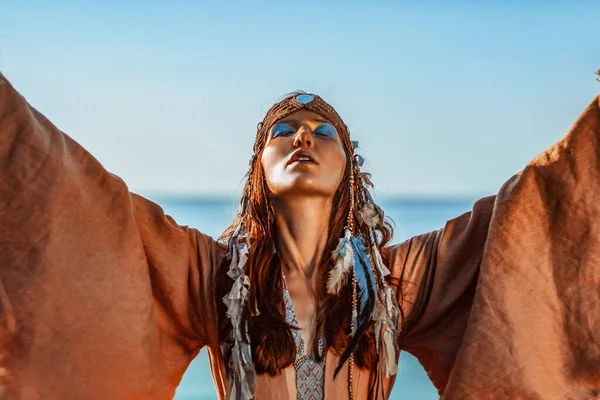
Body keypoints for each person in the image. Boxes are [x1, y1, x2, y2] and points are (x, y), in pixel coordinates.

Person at [0, 72, 599, 400]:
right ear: (259, 166)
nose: (304, 137)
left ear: (349, 171)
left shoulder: (396, 280)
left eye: (323, 131)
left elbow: (534, 219)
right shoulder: (209, 275)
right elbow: (78, 206)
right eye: (283, 130)